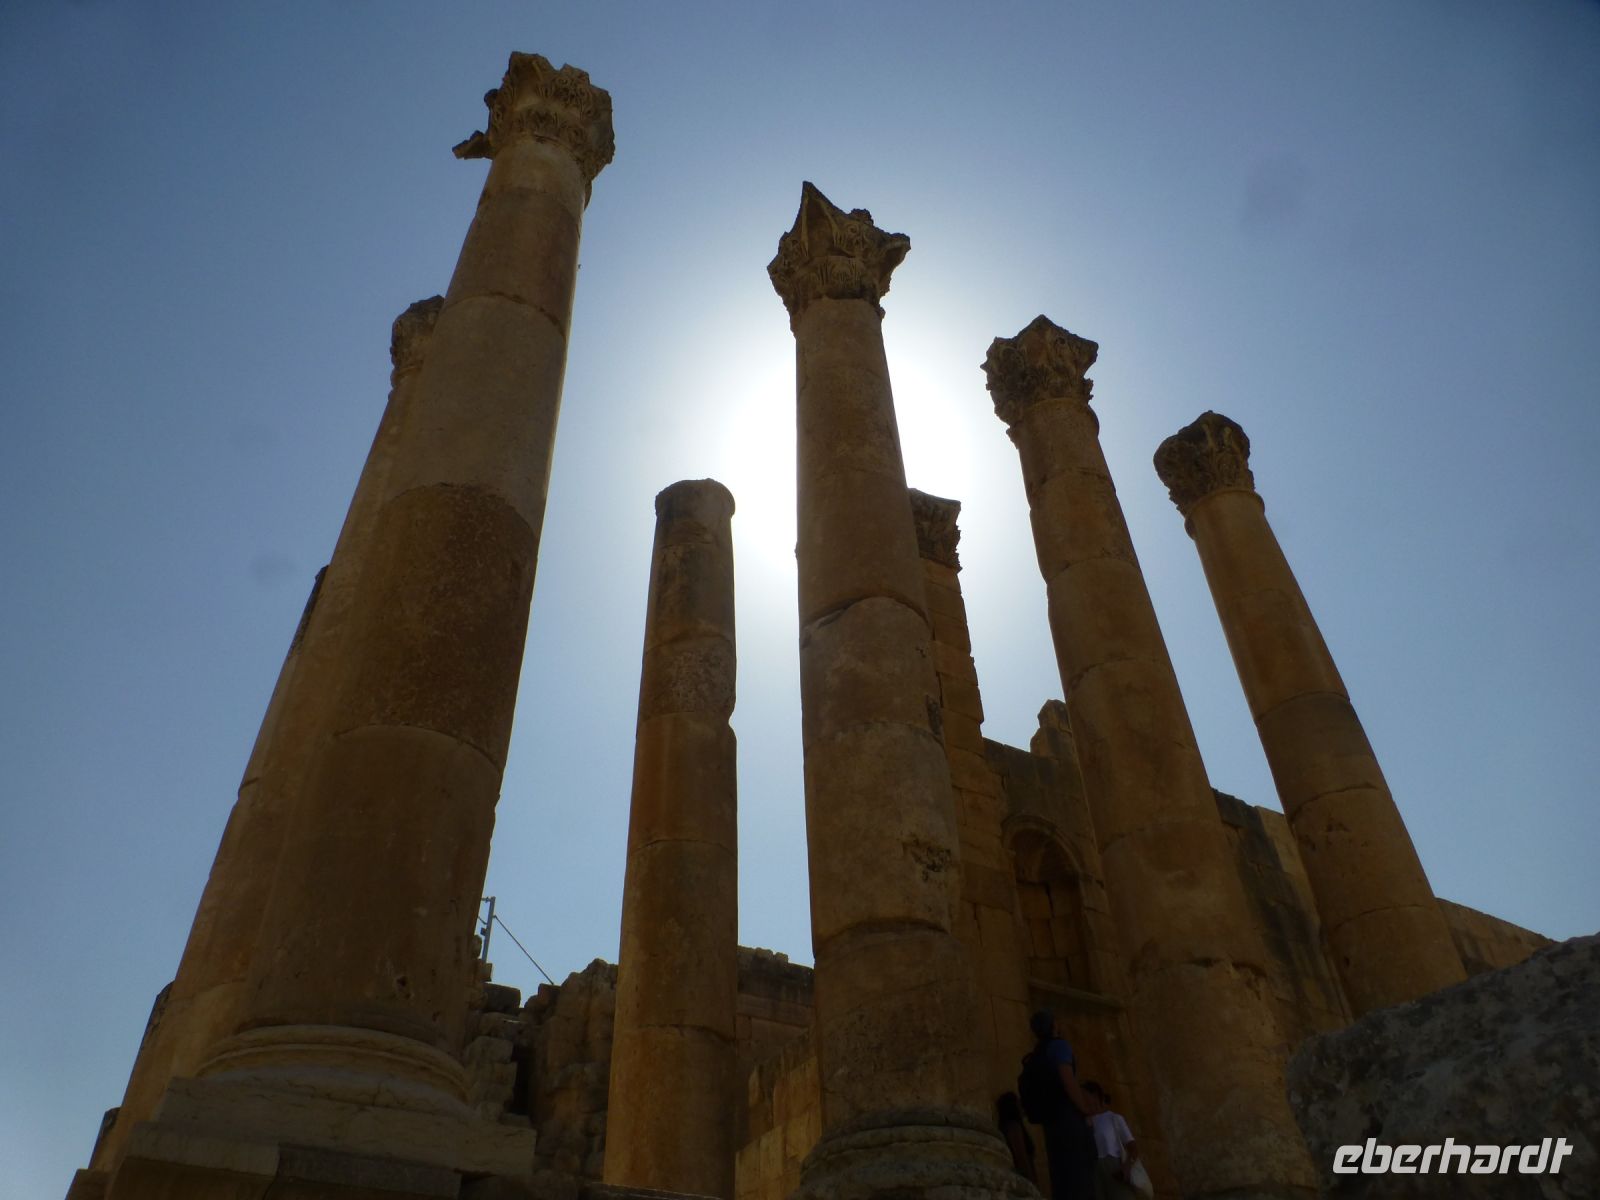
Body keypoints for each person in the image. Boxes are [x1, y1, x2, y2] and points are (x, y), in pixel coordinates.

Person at [1020, 1009, 1098, 1200]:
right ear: (1054, 1026)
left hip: (1051, 1122)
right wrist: (1084, 1107)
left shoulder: (1037, 1053)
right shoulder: (1059, 1046)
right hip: (1068, 1119)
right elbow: (1067, 1078)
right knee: (1080, 1177)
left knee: (1062, 1178)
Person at [1082, 1081, 1147, 1199]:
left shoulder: (1113, 1118)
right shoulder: (1083, 1123)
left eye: (1084, 1096)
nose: (1082, 1100)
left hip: (1114, 1169)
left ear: (1095, 1096)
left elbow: (1132, 1147)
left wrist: (1127, 1166)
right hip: (1094, 1173)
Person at [995, 1091, 1037, 1183]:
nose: (1022, 1106)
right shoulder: (1013, 1126)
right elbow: (1021, 1157)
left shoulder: (1009, 1126)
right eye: (1018, 1103)